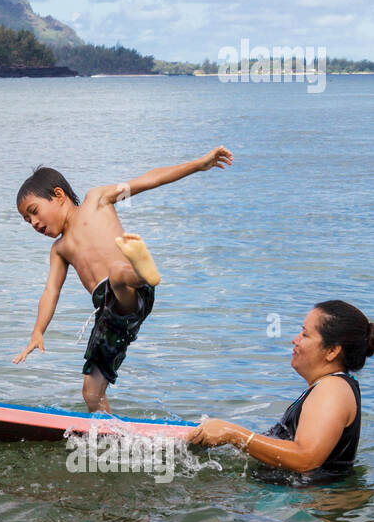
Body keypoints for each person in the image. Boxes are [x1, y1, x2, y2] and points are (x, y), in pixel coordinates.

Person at [13, 148, 233, 412]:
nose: (34, 223)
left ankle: (141, 271)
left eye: (34, 211)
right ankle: (113, 437)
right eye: (28, 220)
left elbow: (150, 179)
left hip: (132, 289)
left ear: (58, 195)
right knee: (91, 391)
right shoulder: (59, 250)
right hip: (111, 315)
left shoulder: (97, 200)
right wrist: (38, 331)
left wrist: (199, 164)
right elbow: (51, 291)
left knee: (117, 273)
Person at [189, 302, 372, 484]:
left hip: (307, 502)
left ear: (332, 351)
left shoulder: (332, 389)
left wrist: (233, 434)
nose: (295, 339)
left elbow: (305, 459)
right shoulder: (329, 386)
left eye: (305, 334)